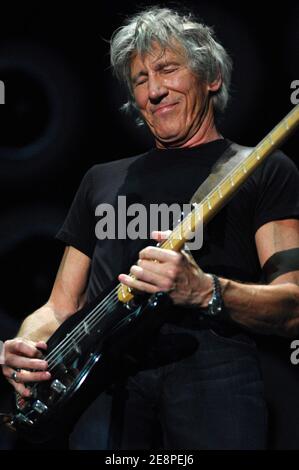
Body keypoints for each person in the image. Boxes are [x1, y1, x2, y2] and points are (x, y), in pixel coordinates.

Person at [2, 7, 299, 450]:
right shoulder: (100, 179)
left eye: (167, 69)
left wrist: (204, 290)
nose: (155, 90)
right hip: (102, 388)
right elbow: (58, 307)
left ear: (211, 77)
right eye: (140, 80)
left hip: (212, 375)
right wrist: (26, 345)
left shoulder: (261, 169)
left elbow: (292, 306)